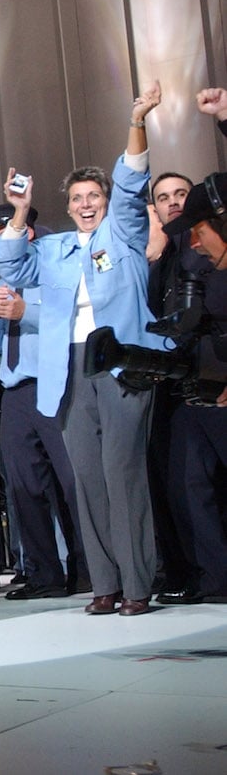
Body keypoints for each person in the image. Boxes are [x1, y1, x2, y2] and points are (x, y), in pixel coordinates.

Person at [0, 82, 166, 616]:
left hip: (122, 364)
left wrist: (137, 119)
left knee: (121, 472)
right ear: (67, 208)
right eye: (77, 199)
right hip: (69, 368)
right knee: (86, 478)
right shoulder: (55, 248)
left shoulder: (125, 233)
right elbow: (8, 263)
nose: (86, 205)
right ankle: (104, 584)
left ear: (105, 202)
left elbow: (133, 183)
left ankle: (137, 584)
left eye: (93, 197)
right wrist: (19, 211)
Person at [0, 206, 86, 599]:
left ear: (29, 234)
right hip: (16, 391)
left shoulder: (54, 268)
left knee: (72, 481)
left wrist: (26, 313)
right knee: (24, 485)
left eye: (5, 235)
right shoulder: (3, 282)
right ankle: (44, 574)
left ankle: (90, 569)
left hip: (55, 382)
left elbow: (71, 318)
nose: (0, 246)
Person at [154, 170, 227, 603]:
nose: (195, 243)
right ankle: (215, 581)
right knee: (189, 487)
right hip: (194, 389)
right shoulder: (169, 260)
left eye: (200, 231)